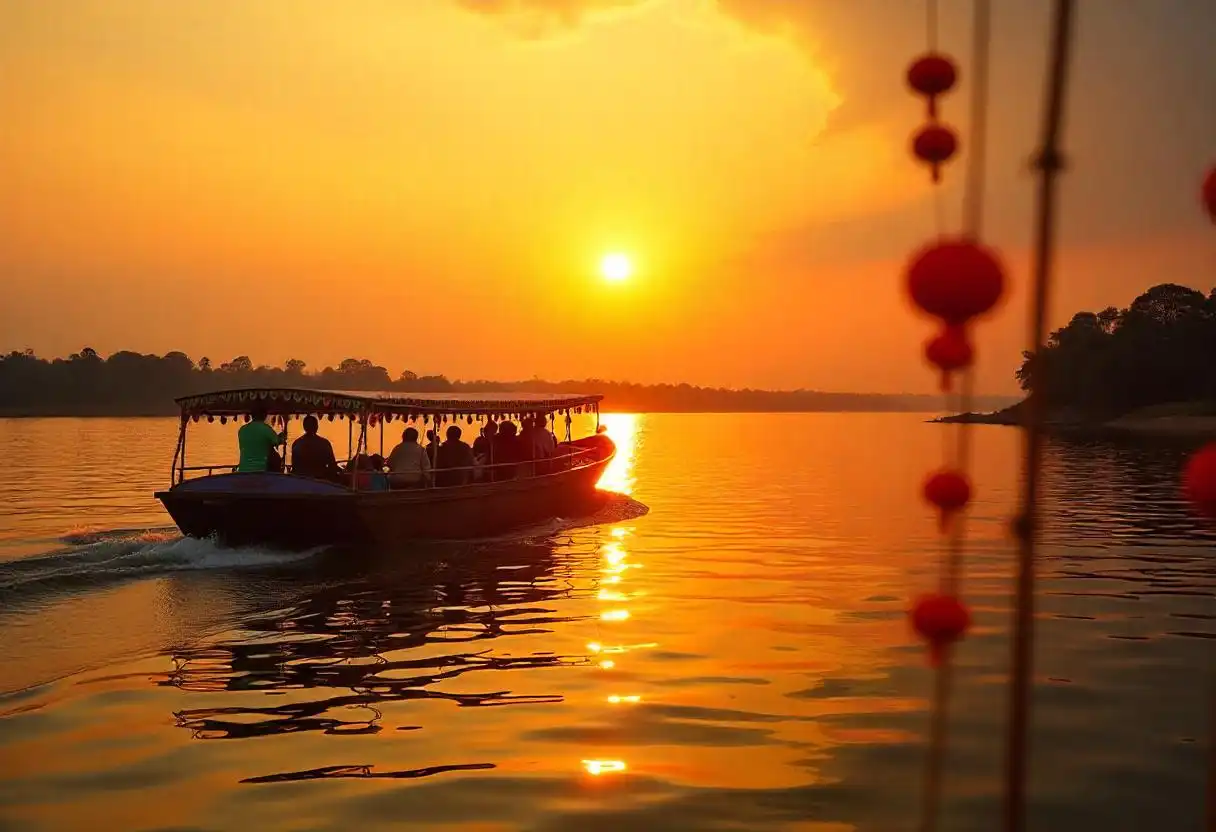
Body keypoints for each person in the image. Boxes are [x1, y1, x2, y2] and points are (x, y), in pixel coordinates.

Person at [237, 406, 286, 473]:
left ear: (252, 416)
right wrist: (282, 436)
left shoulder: (242, 430)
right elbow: (277, 441)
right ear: (264, 416)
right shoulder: (266, 429)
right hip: (261, 470)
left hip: (243, 470)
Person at [291, 415, 339, 480]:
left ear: (304, 427)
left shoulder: (296, 443)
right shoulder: (324, 443)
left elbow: (294, 466)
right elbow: (332, 465)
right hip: (320, 479)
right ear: (316, 427)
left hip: (300, 479)